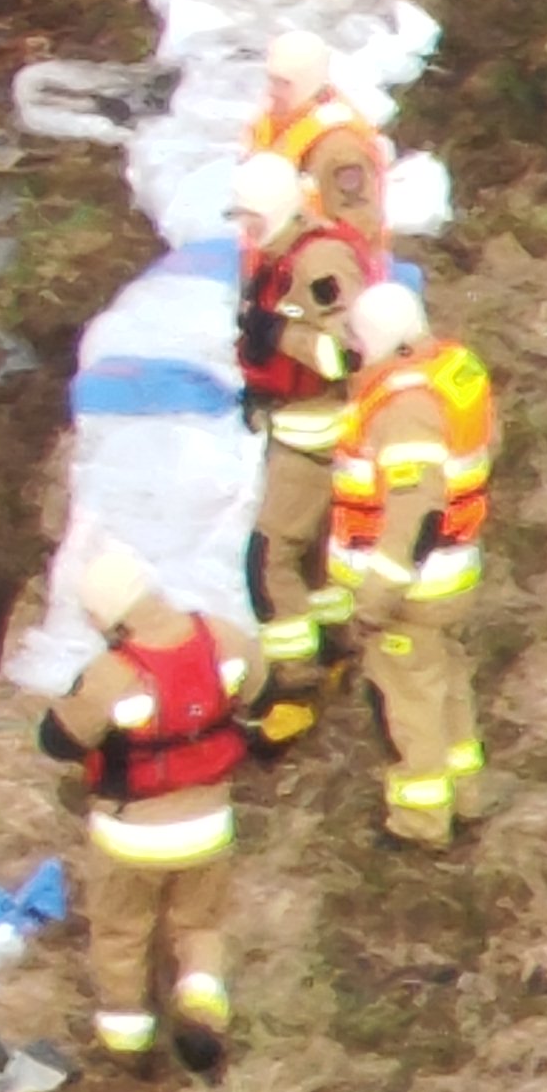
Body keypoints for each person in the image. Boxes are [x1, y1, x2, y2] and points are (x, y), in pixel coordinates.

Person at [38, 540, 254, 1073]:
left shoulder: (113, 673)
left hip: (130, 835)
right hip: (208, 826)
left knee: (122, 933)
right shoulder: (222, 639)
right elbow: (262, 688)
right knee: (199, 926)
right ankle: (201, 1011)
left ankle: (129, 1043)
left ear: (110, 616)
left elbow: (58, 740)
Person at [328, 280, 495, 847]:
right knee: (446, 686)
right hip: (451, 575)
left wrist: (374, 600)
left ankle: (420, 823)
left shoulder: (402, 410)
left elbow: (413, 513)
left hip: (411, 593)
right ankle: (466, 796)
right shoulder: (452, 372)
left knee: (410, 706)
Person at [227, 147, 385, 739]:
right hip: (297, 425)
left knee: (269, 558)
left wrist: (280, 336)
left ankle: (295, 684)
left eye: (250, 218)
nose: (245, 231)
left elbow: (350, 352)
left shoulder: (319, 262)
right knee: (318, 558)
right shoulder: (282, 254)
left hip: (317, 436)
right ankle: (338, 648)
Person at [247, 28, 390, 235]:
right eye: (271, 80)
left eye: (284, 83)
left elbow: (360, 229)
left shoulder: (342, 150)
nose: (272, 91)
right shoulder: (275, 120)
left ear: (308, 84)